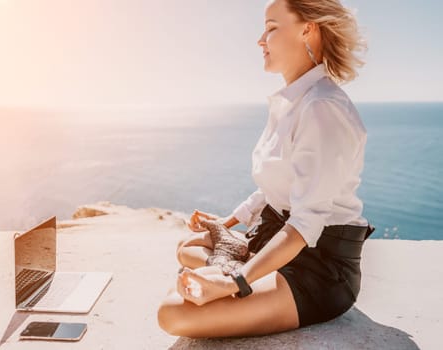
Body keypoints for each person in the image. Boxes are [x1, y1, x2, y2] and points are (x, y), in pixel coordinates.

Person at [157, 0, 372, 338]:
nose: (260, 39)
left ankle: (236, 270)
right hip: (277, 239)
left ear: (307, 29)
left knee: (173, 314)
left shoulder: (322, 108)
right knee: (189, 247)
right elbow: (273, 189)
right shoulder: (292, 102)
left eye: (272, 28)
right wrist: (224, 223)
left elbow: (305, 224)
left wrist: (235, 283)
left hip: (318, 267)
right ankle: (240, 265)